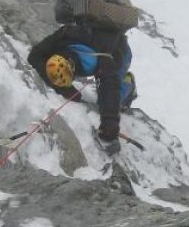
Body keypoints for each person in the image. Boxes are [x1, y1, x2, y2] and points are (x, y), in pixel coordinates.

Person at [28, 20, 137, 155]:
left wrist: (109, 123)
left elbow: (110, 90)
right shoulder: (59, 40)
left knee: (109, 100)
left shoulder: (101, 61)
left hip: (120, 52)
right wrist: (64, 89)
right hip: (98, 38)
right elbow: (34, 56)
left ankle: (129, 84)